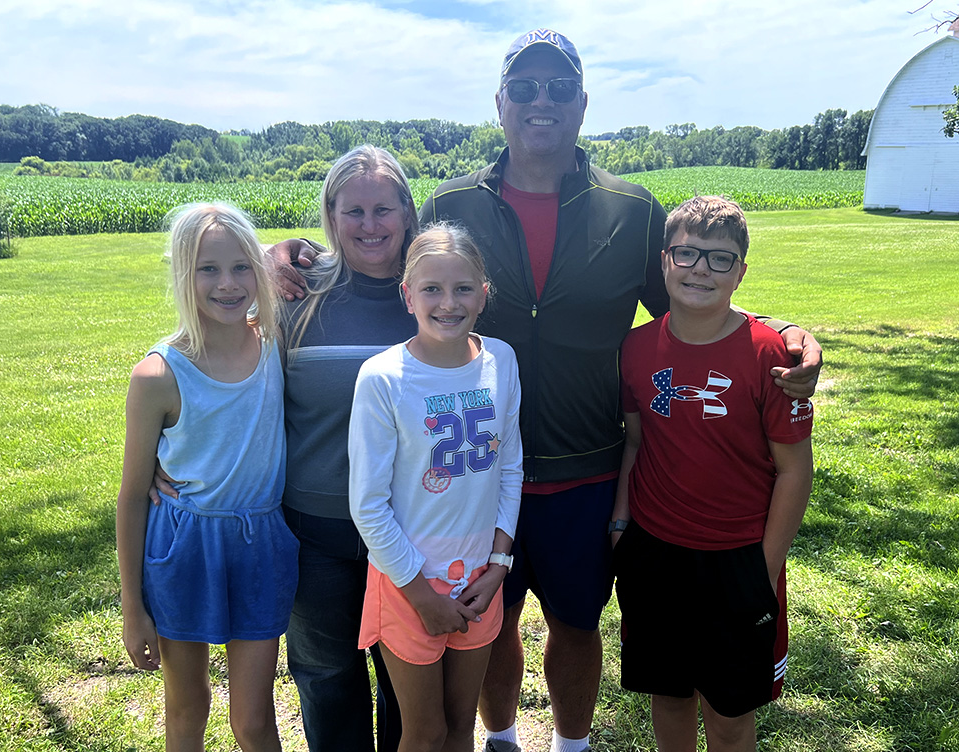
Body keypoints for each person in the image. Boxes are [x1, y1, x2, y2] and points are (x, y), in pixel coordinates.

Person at [274, 30, 822, 752]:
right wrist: (286, 255)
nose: (542, 101)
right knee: (487, 620)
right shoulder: (452, 203)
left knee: (576, 622)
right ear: (500, 103)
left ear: (582, 103)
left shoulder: (630, 210)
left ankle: (571, 744)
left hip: (586, 468)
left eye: (559, 88)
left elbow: (695, 299)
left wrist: (779, 328)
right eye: (525, 88)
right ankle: (499, 737)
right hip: (466, 477)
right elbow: (385, 268)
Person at [154, 145, 417, 752]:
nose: (370, 225)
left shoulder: (432, 293)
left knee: (408, 685)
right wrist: (157, 459)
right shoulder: (296, 298)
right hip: (315, 532)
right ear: (330, 214)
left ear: (407, 211)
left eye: (383, 208)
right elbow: (214, 361)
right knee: (327, 680)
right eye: (353, 211)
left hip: (411, 530)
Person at [611, 196, 814, 751]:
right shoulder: (635, 349)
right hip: (655, 552)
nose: (701, 268)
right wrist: (621, 523)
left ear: (741, 272)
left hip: (740, 557)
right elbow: (636, 441)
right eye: (687, 254)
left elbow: (796, 472)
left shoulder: (769, 354)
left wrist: (763, 569)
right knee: (670, 697)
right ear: (663, 262)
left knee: (729, 715)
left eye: (720, 259)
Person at [117, 202, 299, 752]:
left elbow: (334, 257)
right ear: (182, 274)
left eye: (242, 267)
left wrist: (283, 249)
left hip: (261, 542)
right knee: (187, 709)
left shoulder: (275, 343)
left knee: (253, 720)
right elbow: (130, 498)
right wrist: (132, 607)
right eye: (208, 269)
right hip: (184, 547)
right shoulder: (157, 374)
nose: (227, 283)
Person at [348, 224, 523, 752]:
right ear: (407, 295)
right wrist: (421, 594)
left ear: (484, 294)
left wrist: (499, 566)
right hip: (408, 582)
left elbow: (509, 467)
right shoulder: (383, 378)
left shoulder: (502, 360)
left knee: (460, 725)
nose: (448, 303)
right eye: (431, 289)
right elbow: (369, 506)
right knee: (423, 734)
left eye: (463, 288)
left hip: (479, 578)